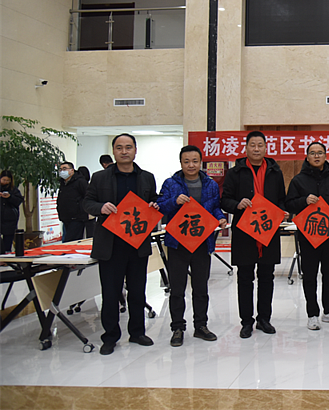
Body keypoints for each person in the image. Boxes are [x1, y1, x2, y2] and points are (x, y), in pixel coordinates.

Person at [83, 134, 159, 356]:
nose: (124, 151)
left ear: (135, 150)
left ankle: (137, 332)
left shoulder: (146, 177)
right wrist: (100, 208)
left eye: (128, 147)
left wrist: (155, 204)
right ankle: (110, 337)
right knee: (110, 293)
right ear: (113, 151)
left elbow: (154, 199)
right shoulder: (99, 177)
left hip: (137, 243)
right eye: (119, 147)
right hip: (111, 245)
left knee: (137, 291)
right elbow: (87, 202)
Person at [158, 145, 227, 347]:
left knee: (201, 287)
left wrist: (221, 218)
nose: (191, 165)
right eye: (186, 161)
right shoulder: (171, 183)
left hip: (202, 242)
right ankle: (177, 328)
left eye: (195, 161)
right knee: (177, 288)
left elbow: (215, 208)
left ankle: (201, 326)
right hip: (177, 243)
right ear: (180, 163)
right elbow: (160, 206)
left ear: (200, 162)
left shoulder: (210, 184)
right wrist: (174, 201)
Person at [221, 131, 288, 339]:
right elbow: (225, 200)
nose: (256, 149)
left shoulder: (275, 172)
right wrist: (237, 204)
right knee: (245, 278)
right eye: (253, 145)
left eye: (260, 145)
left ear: (266, 147)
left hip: (268, 230)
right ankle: (246, 322)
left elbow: (281, 199)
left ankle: (264, 319)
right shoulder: (235, 172)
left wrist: (282, 211)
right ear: (246, 147)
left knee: (267, 277)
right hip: (245, 232)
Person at [285, 142, 329, 330]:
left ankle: (328, 311)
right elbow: (289, 204)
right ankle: (312, 314)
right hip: (308, 236)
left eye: (320, 153)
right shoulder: (298, 181)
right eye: (313, 153)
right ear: (307, 157)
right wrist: (304, 201)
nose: (317, 156)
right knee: (309, 275)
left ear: (325, 156)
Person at [57, 161, 89, 242]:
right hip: (65, 217)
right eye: (60, 169)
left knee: (71, 241)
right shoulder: (63, 183)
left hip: (77, 217)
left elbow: (87, 196)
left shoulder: (80, 181)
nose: (62, 171)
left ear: (72, 170)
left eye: (64, 169)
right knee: (67, 240)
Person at [0, 171, 24, 253]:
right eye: (4, 180)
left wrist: (9, 197)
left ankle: (7, 255)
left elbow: (18, 201)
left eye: (7, 180)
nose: (5, 182)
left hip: (10, 219)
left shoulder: (13, 189)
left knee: (7, 242)